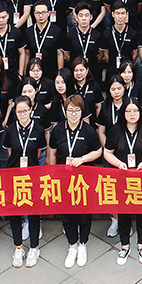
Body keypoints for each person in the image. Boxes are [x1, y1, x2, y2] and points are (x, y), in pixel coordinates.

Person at [48, 94, 104, 268]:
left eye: (77, 110)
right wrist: (53, 174)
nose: (73, 114)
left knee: (84, 213)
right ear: (65, 111)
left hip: (83, 180)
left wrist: (83, 159)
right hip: (64, 178)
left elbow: (98, 151)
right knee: (67, 214)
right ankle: (72, 245)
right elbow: (52, 153)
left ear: (82, 112)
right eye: (70, 110)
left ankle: (83, 244)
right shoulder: (58, 130)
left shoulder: (88, 130)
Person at [104, 98, 142, 265]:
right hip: (123, 179)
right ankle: (124, 246)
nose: (132, 114)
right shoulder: (115, 130)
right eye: (128, 111)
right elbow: (107, 153)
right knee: (124, 212)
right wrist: (118, 164)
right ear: (123, 113)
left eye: (135, 110)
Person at [1, 96, 46, 268]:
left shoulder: (39, 129)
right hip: (14, 176)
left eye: (25, 111)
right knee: (15, 212)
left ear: (31, 110)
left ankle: (34, 247)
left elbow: (39, 151)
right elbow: (10, 151)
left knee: (33, 212)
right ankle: (18, 247)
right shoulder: (10, 130)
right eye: (19, 111)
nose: (22, 114)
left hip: (32, 176)